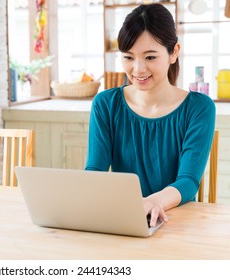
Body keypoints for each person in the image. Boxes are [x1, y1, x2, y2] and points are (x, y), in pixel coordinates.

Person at [85, 3, 215, 227]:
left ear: (173, 52)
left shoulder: (198, 108)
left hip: (178, 221)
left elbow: (188, 181)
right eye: (128, 57)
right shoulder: (105, 104)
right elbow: (95, 170)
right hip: (125, 219)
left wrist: (152, 202)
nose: (138, 69)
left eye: (150, 57)